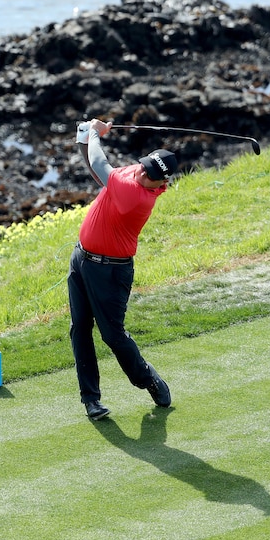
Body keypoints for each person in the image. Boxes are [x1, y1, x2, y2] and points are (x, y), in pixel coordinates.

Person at [68, 118, 176, 420]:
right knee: (79, 330)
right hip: (81, 259)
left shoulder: (137, 196)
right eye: (144, 166)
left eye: (150, 174)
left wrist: (93, 133)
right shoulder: (133, 174)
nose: (142, 172)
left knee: (112, 335)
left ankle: (147, 379)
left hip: (111, 272)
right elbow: (96, 170)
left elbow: (100, 162)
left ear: (161, 184)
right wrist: (82, 134)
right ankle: (91, 400)